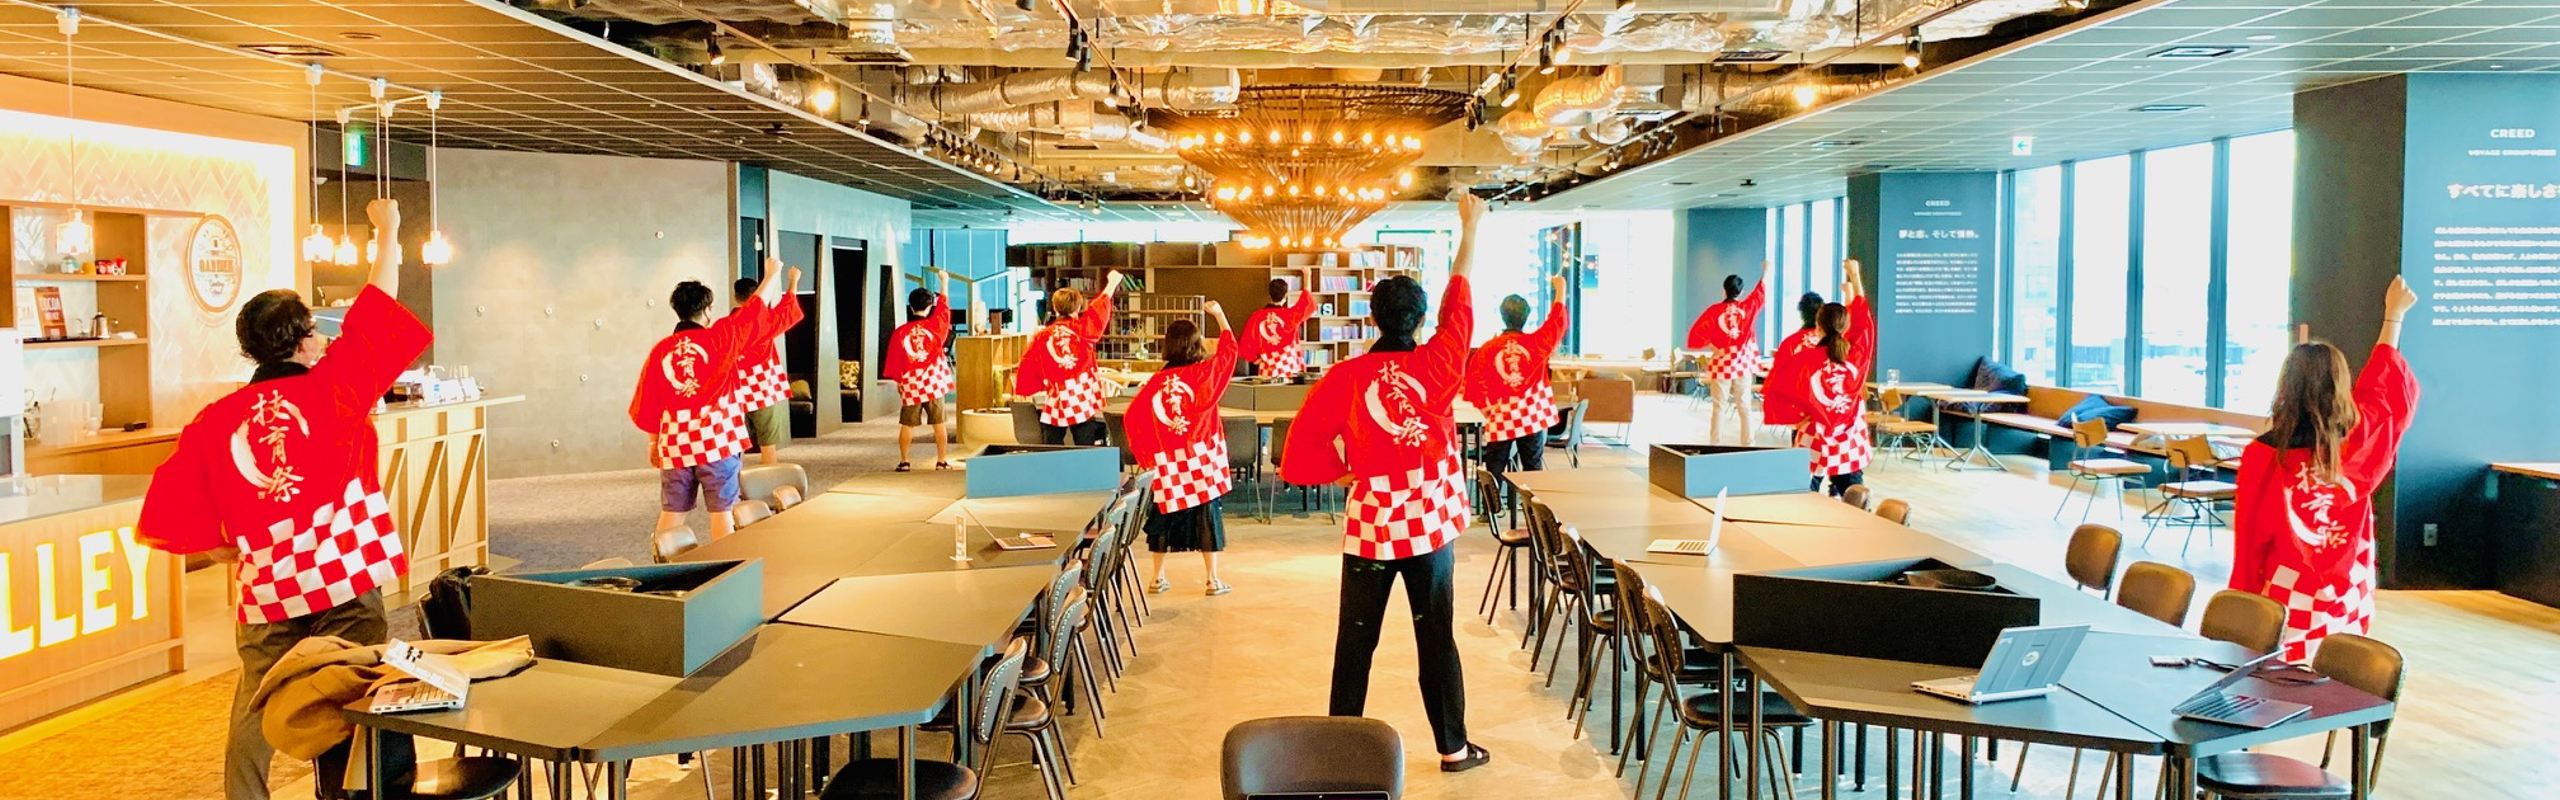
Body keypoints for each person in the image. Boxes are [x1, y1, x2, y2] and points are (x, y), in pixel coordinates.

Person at [138, 199, 428, 800]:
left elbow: (170, 505)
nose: (321, 340)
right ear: (302, 340)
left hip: (268, 586)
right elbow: (378, 304)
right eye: (315, 332)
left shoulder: (216, 419)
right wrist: (389, 230)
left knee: (257, 700)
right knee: (357, 691)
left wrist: (225, 549)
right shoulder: (337, 387)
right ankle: (352, 794)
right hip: (342, 576)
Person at [1283, 193, 1489, 773]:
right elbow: (1460, 301)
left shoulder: (1344, 376)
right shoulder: (1441, 362)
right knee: (1436, 636)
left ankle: (1338, 752)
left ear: (1372, 318)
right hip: (1429, 524)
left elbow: (1296, 455)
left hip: (1371, 524)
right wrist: (1470, 228)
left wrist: (1343, 470)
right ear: (1420, 321)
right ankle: (1452, 748)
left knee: (1355, 639)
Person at [2231, 277, 2419, 663]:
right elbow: (2382, 390)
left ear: (2286, 387)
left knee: (2277, 673)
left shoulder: (2264, 455)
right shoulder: (2359, 443)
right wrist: (2393, 317)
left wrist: (2239, 605)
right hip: (2347, 586)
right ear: (2341, 386)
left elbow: (2249, 540)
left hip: (2282, 589)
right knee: (2336, 670)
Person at [631, 262, 803, 543]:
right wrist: (772, 275)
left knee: (672, 512)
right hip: (717, 441)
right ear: (707, 310)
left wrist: (653, 444)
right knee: (722, 513)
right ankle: (725, 565)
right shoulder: (720, 336)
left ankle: (663, 562)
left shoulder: (660, 351)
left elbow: (649, 403)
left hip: (675, 444)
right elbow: (753, 311)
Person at [1125, 301, 1241, 596]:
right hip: (1202, 458)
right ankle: (1212, 579)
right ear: (1196, 344)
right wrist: (1220, 315)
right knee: (1207, 514)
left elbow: (1132, 418)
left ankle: (1157, 577)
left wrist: (1145, 455)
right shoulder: (1204, 375)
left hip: (1167, 461)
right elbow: (1230, 352)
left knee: (1163, 515)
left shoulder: (1155, 383)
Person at [1769, 259, 1874, 497]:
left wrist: (1797, 418)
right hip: (1848, 437)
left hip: (1813, 434)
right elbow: (1864, 322)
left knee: (1802, 492)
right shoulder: (1856, 357)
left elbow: (1779, 392)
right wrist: (1855, 277)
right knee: (1854, 495)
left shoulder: (1803, 361)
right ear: (1845, 327)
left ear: (1818, 327)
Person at [1464, 275, 1569, 484]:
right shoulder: (1536, 343)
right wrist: (1561, 289)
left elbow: (1474, 380)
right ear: (1526, 317)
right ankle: (1533, 503)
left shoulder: (1488, 349)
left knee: (1494, 469)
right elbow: (1557, 323)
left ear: (1503, 316)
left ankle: (1491, 505)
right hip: (1531, 414)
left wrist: (1485, 407)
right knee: (1532, 468)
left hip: (1500, 414)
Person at [1014, 270, 1125, 445]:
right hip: (1081, 396)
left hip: (1056, 395)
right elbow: (1098, 311)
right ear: (1078, 308)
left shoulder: (1043, 336)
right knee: (1085, 444)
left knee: (1052, 444)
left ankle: (1052, 462)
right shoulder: (1083, 330)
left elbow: (1028, 363)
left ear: (1055, 308)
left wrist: (1024, 389)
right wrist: (1111, 284)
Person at [1685, 261, 1773, 444]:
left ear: (1723, 291)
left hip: (1722, 361)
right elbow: (1759, 292)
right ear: (1740, 292)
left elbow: (1696, 333)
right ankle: (1748, 444)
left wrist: (1711, 345)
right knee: (1744, 406)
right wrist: (1766, 271)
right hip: (1742, 363)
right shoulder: (1747, 308)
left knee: (1718, 406)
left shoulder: (1713, 311)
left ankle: (1715, 443)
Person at [885, 270, 956, 471]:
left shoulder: (900, 332)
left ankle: (904, 461)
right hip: (933, 382)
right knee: (939, 423)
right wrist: (944, 282)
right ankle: (941, 461)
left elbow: (894, 360)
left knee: (907, 424)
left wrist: (899, 381)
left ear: (911, 306)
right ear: (930, 306)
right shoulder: (935, 326)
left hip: (911, 382)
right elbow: (944, 308)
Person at [732, 278, 791, 466]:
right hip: (764, 390)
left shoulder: (728, 324)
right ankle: (768, 480)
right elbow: (788, 311)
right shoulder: (764, 321)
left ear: (736, 297)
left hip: (735, 392)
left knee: (736, 446)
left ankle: (734, 481)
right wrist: (793, 283)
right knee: (768, 445)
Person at [1761, 290, 1829, 433]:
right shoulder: (1832, 343)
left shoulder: (1791, 343)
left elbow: (1778, 376)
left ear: (1802, 314)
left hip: (1801, 408)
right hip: (1827, 406)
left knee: (1802, 443)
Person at [1240, 278, 1320, 380]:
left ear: (1269, 294)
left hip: (1267, 366)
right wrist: (1307, 276)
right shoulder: (1290, 315)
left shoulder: (1256, 317)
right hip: (1289, 365)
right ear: (1285, 295)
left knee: (1266, 389)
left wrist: (1254, 359)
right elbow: (1306, 303)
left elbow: (1245, 342)